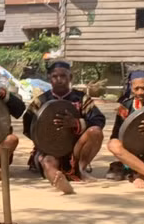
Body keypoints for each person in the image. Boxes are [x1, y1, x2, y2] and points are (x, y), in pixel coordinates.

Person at [23, 60, 106, 194]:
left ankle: (81, 169)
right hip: (48, 150)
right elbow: (28, 127)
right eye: (55, 76)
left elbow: (99, 120)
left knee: (95, 132)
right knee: (48, 162)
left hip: (75, 147)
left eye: (63, 76)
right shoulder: (41, 101)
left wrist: (76, 123)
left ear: (70, 78)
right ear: (49, 78)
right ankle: (59, 180)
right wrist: (46, 141)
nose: (59, 80)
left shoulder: (81, 98)